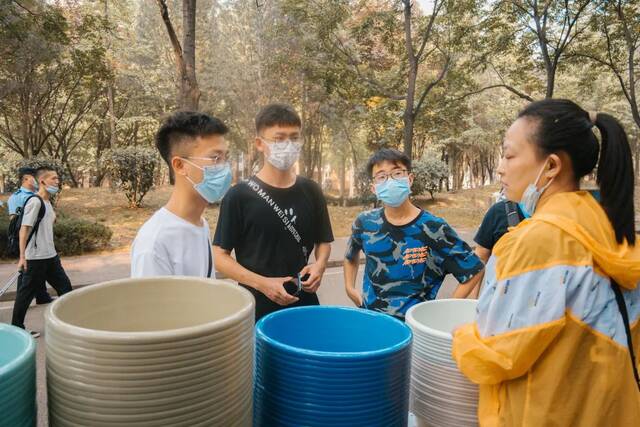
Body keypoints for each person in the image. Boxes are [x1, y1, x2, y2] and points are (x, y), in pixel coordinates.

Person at [452, 99, 640, 426]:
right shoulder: (609, 231)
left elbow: (497, 356)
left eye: (509, 155)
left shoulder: (534, 243)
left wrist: (460, 337)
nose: (500, 168)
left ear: (551, 166)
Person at [213, 103, 334, 321]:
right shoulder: (239, 196)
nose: (288, 145)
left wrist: (320, 265)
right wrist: (262, 284)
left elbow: (323, 240)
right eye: (279, 139)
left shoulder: (311, 190)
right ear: (260, 143)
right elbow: (220, 257)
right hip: (255, 307)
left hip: (304, 302)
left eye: (294, 138)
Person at [343, 148, 484, 321]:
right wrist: (350, 289)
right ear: (374, 188)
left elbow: (474, 269)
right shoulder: (364, 223)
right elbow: (350, 256)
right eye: (382, 177)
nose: (390, 181)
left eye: (397, 173)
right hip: (372, 323)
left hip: (414, 331)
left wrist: (446, 310)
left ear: (409, 179)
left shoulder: (434, 227)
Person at [131, 112, 231, 278]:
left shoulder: (200, 224)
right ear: (179, 165)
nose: (225, 167)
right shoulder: (154, 244)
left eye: (225, 158)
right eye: (215, 158)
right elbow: (150, 304)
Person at [11, 167, 72, 337]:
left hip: (51, 256)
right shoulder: (35, 201)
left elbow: (47, 224)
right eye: (53, 178)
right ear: (42, 182)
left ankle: (70, 323)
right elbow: (24, 230)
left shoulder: (47, 203)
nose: (57, 182)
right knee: (25, 294)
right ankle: (17, 328)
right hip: (35, 258)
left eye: (58, 178)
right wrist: (22, 257)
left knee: (65, 289)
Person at [7, 167, 53, 304]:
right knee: (26, 271)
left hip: (40, 240)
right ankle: (21, 300)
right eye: (33, 177)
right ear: (26, 178)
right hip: (27, 240)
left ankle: (41, 295)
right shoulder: (17, 197)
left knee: (36, 269)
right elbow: (14, 221)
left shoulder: (38, 194)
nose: (36, 180)